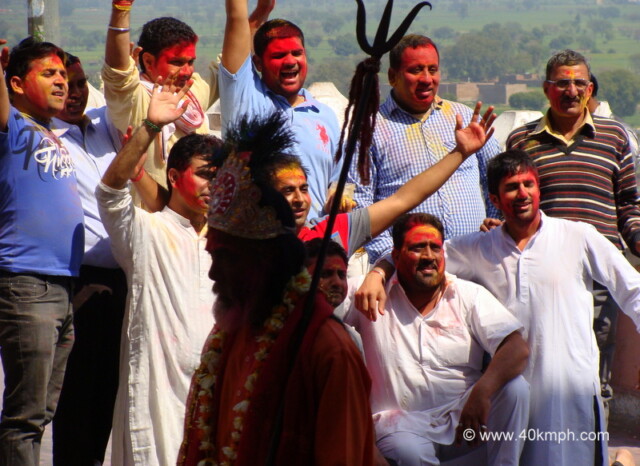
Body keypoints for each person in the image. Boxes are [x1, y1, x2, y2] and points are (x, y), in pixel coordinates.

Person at [359, 150, 640, 465]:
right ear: (494, 197)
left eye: (528, 184)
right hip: (511, 395)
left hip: (569, 388)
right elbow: (420, 256)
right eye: (511, 187)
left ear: (539, 189)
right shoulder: (479, 247)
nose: (522, 194)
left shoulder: (577, 236)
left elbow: (633, 290)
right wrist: (378, 272)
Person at [178, 112, 377, 465]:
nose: (213, 275)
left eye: (225, 259)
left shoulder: (328, 349)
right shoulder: (228, 336)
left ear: (262, 261)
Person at [506, 49, 640, 421]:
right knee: (539, 363)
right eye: (562, 82)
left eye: (580, 82)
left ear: (591, 88)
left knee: (595, 367)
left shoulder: (614, 136)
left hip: (600, 274)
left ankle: (594, 445)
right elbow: (510, 203)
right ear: (546, 90)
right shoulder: (523, 141)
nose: (571, 90)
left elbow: (629, 204)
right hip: (543, 272)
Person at [343, 213, 529, 465]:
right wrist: (376, 273)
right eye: (418, 248)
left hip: (465, 420)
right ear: (395, 257)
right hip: (401, 426)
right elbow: (315, 298)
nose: (429, 256)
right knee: (408, 451)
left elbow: (516, 347)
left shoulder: (467, 294)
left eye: (435, 248)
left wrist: (482, 393)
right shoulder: (369, 292)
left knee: (515, 389)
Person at [97, 78, 217, 465]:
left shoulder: (230, 245)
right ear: (175, 175)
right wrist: (150, 128)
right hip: (159, 398)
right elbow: (110, 192)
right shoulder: (146, 231)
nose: (213, 186)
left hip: (217, 396)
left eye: (220, 177)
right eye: (204, 175)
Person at [0, 37, 83, 465]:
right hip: (26, 282)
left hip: (61, 286)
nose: (61, 83)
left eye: (63, 76)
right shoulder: (11, 125)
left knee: (43, 412)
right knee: (25, 417)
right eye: (49, 73)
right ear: (15, 83)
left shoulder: (52, 133)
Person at [347, 34, 502, 264]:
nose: (427, 79)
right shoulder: (369, 130)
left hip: (476, 260)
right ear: (392, 77)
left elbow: (498, 179)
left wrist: (496, 229)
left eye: (433, 69)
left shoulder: (465, 119)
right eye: (416, 70)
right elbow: (361, 209)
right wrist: (392, 260)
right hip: (409, 269)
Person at [276, 101, 496, 256]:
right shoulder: (252, 249)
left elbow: (404, 199)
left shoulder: (331, 233)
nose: (299, 199)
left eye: (304, 189)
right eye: (287, 191)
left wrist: (460, 153)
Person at [50, 54, 126, 466]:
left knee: (111, 393)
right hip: (79, 279)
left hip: (124, 277)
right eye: (63, 85)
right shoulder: (43, 136)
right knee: (77, 394)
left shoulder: (105, 126)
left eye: (79, 83)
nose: (73, 93)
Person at [221, 0, 342, 220]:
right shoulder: (246, 98)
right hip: (261, 241)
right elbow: (236, 19)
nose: (290, 62)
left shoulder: (326, 116)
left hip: (315, 243)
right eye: (278, 56)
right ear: (257, 63)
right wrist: (259, 14)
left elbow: (340, 179)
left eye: (297, 53)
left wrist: (339, 195)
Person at [102, 0, 222, 203]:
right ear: (148, 61)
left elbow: (230, 68)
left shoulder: (191, 93)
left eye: (190, 62)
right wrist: (120, 9)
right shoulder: (136, 100)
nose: (187, 71)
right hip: (154, 226)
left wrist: (257, 18)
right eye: (176, 62)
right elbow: (118, 74)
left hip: (198, 225)